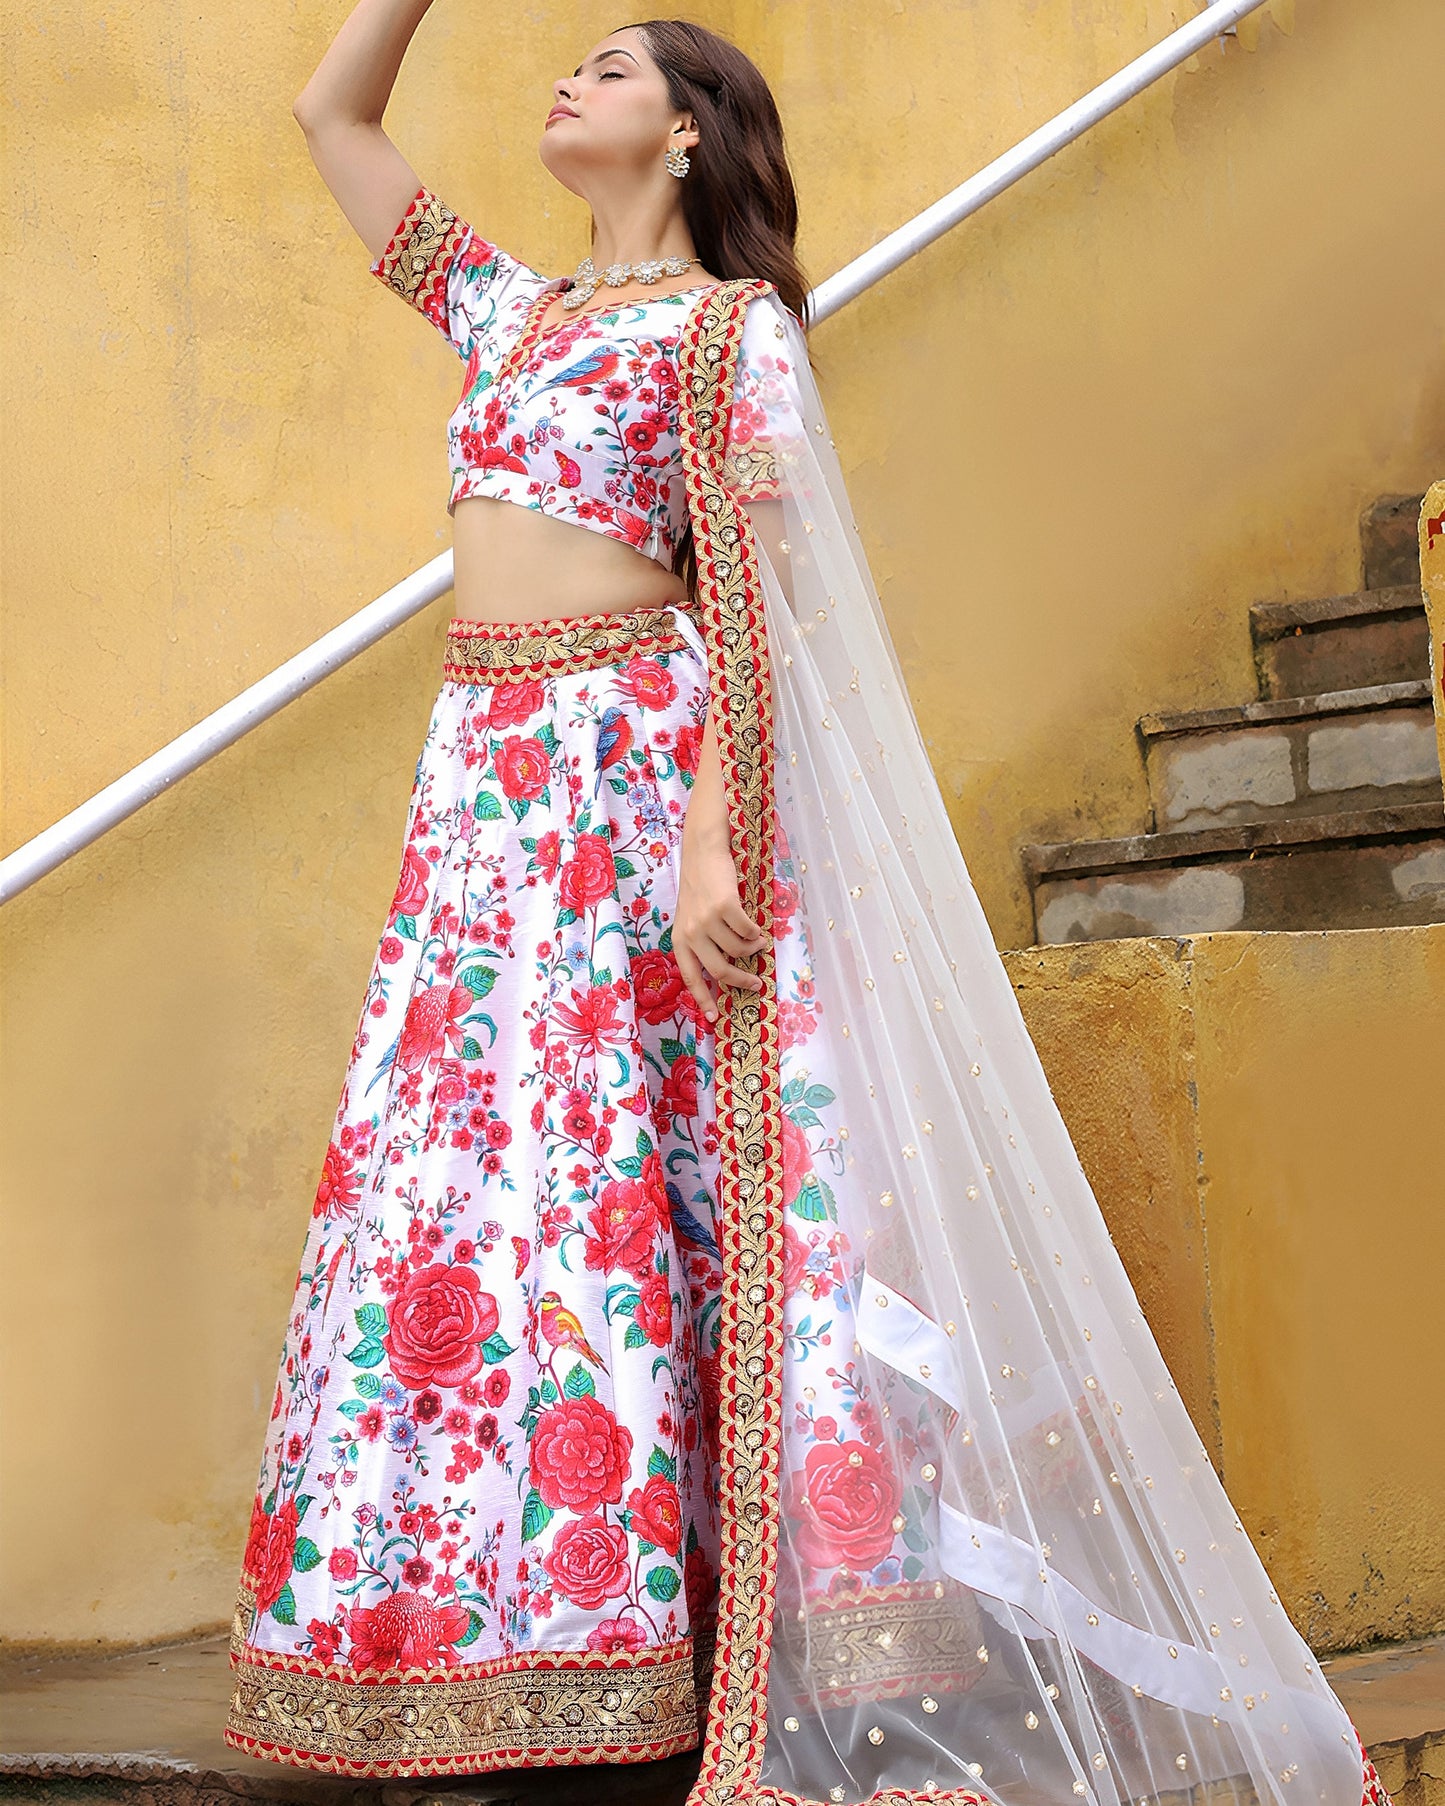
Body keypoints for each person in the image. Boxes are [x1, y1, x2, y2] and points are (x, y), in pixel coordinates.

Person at [222, 9, 1395, 1805]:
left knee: (642, 1182)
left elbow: (766, 611)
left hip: (632, 776)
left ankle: (683, 1637)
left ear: (691, 134)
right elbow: (330, 111)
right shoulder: (509, 311)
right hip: (482, 802)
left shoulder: (727, 335)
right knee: (495, 1195)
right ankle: (510, 1626)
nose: (571, 86)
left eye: (612, 72)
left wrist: (708, 849)